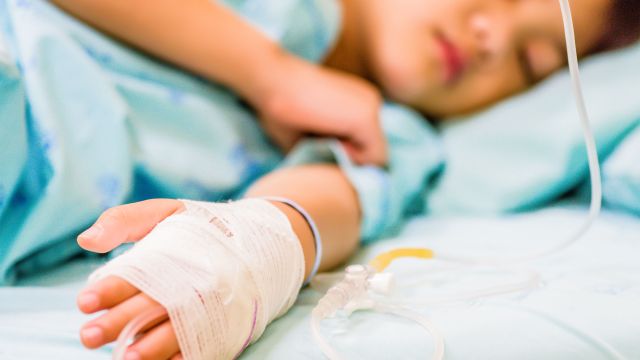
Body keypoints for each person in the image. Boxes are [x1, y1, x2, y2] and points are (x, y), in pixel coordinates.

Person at [3, 0, 639, 358]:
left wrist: (242, 246)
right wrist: (270, 73)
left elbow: (327, 200)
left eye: (530, 64)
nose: (493, 39)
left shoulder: (394, 134)